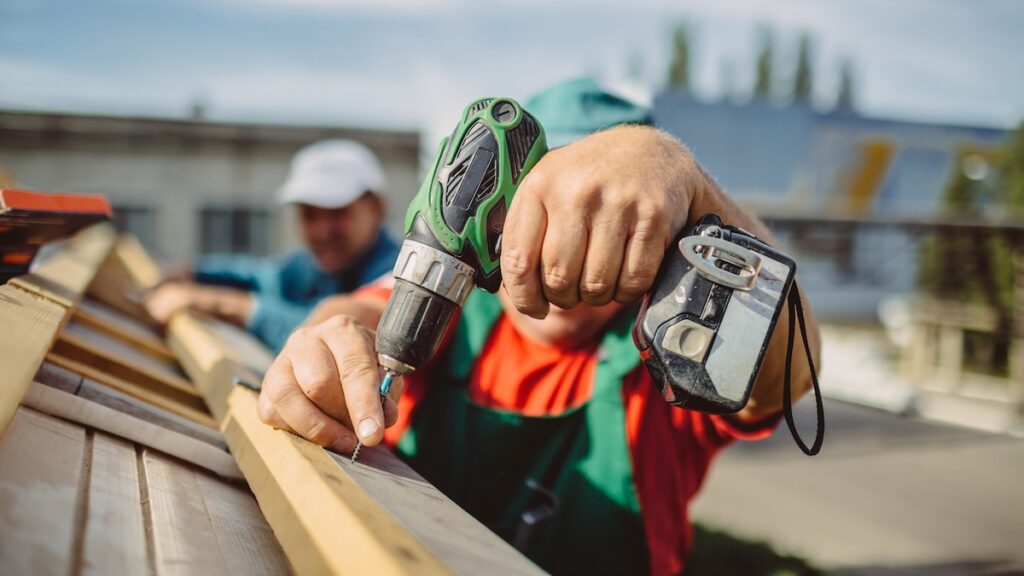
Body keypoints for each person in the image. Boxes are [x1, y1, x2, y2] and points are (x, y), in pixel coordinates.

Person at [257, 79, 822, 575]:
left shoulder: (676, 347)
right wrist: (327, 349)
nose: (567, 240)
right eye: (548, 207)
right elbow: (357, 315)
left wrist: (688, 182)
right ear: (495, 205)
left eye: (607, 219)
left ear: (657, 231)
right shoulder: (449, 306)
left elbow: (790, 375)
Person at [145, 139, 399, 352]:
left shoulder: (400, 277)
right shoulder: (311, 265)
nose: (323, 231)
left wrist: (221, 303)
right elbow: (261, 275)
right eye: (309, 215)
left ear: (376, 208)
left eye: (338, 212)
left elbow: (325, 333)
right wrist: (194, 273)